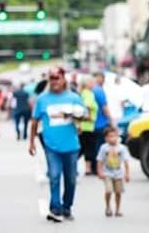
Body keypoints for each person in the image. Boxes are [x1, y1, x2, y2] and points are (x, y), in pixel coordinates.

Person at [29, 67, 87, 222]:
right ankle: (55, 208)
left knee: (71, 179)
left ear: (63, 79)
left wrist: (75, 115)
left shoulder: (74, 97)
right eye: (51, 78)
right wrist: (31, 142)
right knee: (54, 176)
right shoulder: (42, 99)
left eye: (57, 77)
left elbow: (85, 116)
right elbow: (34, 121)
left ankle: (67, 206)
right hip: (51, 145)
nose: (54, 81)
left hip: (71, 146)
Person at [96, 126, 131, 217]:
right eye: (110, 136)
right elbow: (100, 160)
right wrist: (100, 172)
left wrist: (127, 174)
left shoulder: (121, 148)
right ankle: (108, 207)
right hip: (107, 173)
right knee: (108, 190)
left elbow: (126, 161)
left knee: (118, 192)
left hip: (118, 174)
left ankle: (118, 209)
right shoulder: (104, 148)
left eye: (114, 136)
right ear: (106, 138)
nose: (113, 138)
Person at [78, 75, 99, 174]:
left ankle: (87, 168)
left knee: (83, 147)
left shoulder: (83, 93)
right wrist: (89, 116)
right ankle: (87, 168)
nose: (93, 84)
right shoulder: (88, 93)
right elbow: (87, 105)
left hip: (86, 125)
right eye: (92, 82)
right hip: (87, 125)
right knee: (87, 148)